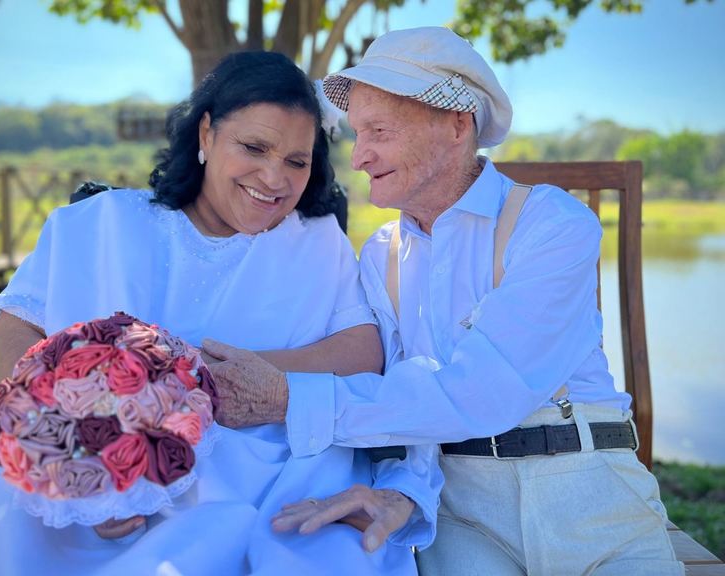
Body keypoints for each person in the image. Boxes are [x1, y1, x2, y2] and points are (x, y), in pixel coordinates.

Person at [0, 51, 440, 576]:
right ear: (206, 134)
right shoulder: (98, 224)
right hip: (90, 473)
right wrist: (76, 459)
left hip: (263, 480)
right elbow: (14, 331)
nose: (273, 178)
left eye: (296, 161)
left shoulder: (315, 243)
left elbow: (363, 350)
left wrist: (225, 379)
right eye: (254, 147)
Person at [203, 28, 684, 575]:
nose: (358, 158)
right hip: (462, 513)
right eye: (356, 134)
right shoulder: (380, 256)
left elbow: (483, 391)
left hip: (589, 495)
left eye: (378, 131)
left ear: (457, 125)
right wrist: (403, 490)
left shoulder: (551, 224)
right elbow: (410, 397)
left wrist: (291, 397)